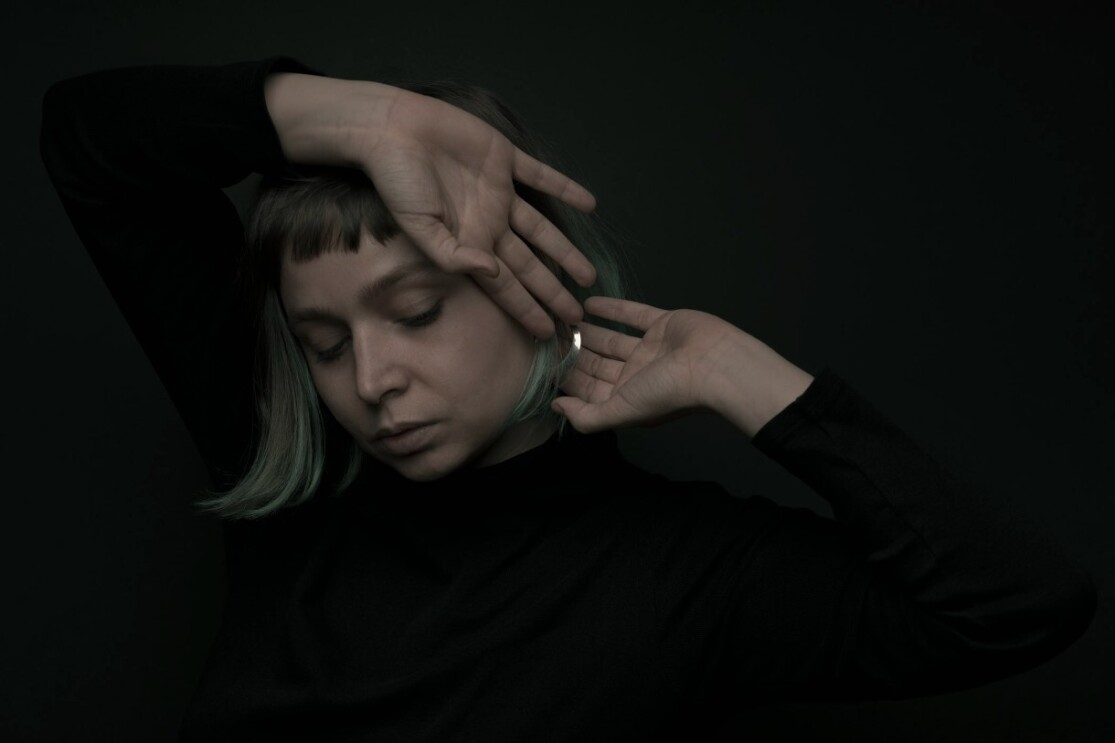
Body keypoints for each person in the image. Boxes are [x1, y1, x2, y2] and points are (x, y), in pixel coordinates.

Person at [39, 56, 1097, 742]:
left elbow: (1016, 603)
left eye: (414, 312)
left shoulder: (688, 570)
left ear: (537, 283)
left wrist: (743, 376)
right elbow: (88, 144)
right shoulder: (298, 480)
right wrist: (369, 118)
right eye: (321, 342)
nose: (367, 382)